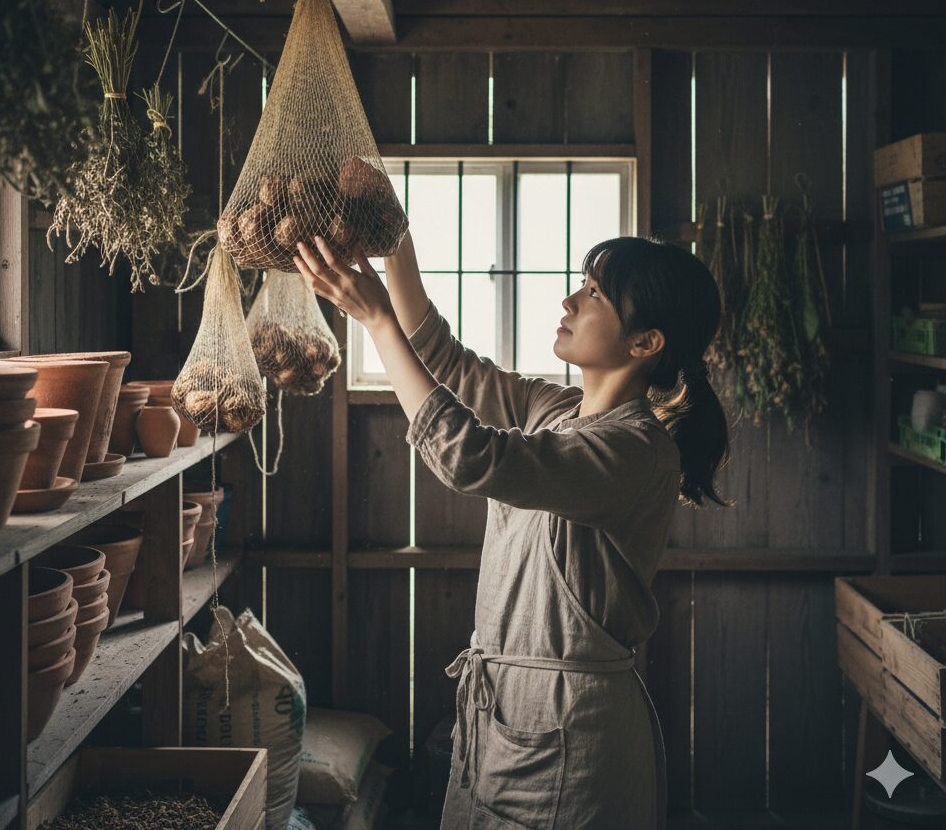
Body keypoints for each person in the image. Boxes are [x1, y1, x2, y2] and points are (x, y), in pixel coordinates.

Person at [294, 230, 732, 830]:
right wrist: (392, 231)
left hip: (572, 730)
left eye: (595, 294)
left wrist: (376, 320)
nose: (570, 301)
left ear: (645, 342)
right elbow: (442, 359)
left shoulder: (636, 451)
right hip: (509, 718)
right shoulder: (556, 410)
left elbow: (469, 456)